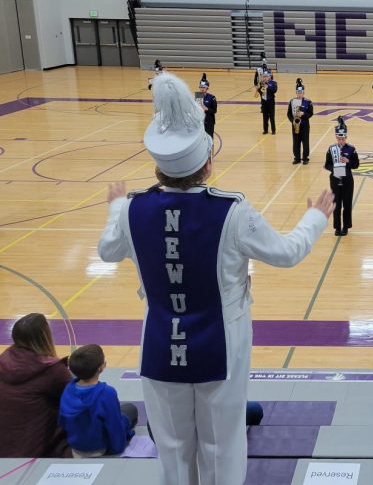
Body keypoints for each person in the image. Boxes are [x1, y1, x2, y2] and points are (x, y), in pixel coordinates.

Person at [98, 71, 334, 485]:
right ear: (207, 163)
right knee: (222, 444)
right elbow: (287, 253)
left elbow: (108, 250)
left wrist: (116, 208)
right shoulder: (232, 210)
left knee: (171, 446)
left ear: (158, 166)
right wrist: (316, 215)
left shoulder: (133, 209)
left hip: (159, 344)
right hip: (222, 343)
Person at [0, 313, 71, 458]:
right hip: (31, 451)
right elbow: (75, 401)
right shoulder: (53, 370)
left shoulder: (4, 360)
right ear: (45, 337)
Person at [59, 344, 137, 457]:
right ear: (101, 367)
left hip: (75, 447)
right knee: (130, 409)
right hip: (100, 448)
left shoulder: (68, 389)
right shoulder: (107, 393)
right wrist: (119, 446)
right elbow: (115, 428)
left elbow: (63, 422)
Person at [324, 116, 360, 236]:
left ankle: (346, 227)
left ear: (346, 137)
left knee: (347, 204)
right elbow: (327, 164)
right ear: (336, 138)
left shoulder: (351, 149)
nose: (341, 141)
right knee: (336, 204)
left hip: (347, 180)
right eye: (339, 139)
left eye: (343, 139)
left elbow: (356, 164)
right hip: (335, 180)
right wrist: (333, 169)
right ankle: (337, 227)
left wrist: (348, 161)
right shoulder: (331, 149)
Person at [287, 78, 314, 165]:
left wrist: (303, 114)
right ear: (296, 93)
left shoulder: (308, 102)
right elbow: (289, 114)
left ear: (303, 93)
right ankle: (297, 158)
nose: (299, 94)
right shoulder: (292, 101)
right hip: (295, 125)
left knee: (305, 141)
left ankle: (305, 158)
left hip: (305, 125)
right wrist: (292, 121)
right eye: (298, 92)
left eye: (301, 92)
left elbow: (310, 113)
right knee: (296, 142)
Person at [257, 70, 278, 134]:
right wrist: (259, 88)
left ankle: (273, 130)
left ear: (269, 76)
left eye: (266, 76)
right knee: (265, 117)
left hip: (271, 101)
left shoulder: (273, 83)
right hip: (264, 101)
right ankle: (265, 130)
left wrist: (267, 87)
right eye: (264, 76)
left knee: (272, 116)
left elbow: (274, 91)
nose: (265, 77)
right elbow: (260, 92)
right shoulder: (261, 83)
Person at [198, 73, 217, 139]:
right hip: (200, 121)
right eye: (201, 87)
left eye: (204, 87)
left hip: (209, 122)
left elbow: (214, 111)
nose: (202, 89)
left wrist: (207, 109)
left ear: (207, 88)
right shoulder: (198, 96)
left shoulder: (212, 97)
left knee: (209, 139)